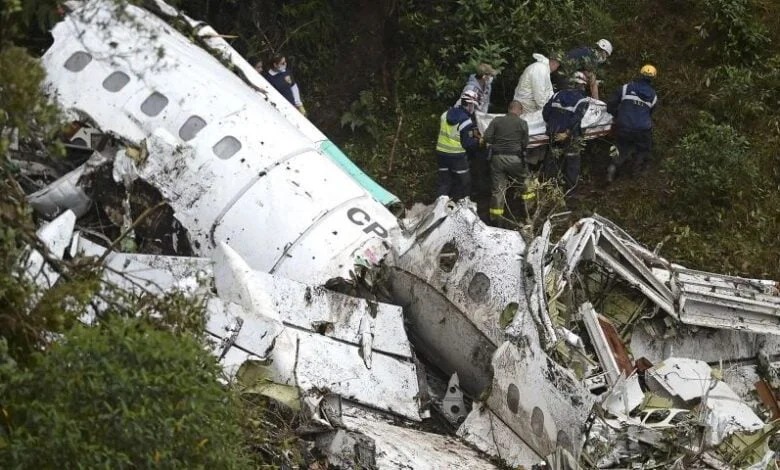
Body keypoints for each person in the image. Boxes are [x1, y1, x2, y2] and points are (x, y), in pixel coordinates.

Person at [606, 64, 658, 182]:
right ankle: (636, 172)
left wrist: (617, 115)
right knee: (644, 149)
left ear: (640, 74)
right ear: (653, 78)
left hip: (623, 125)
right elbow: (650, 113)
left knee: (619, 147)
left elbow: (611, 104)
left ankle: (613, 167)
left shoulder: (626, 88)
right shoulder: (653, 96)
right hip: (642, 129)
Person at [482, 101, 531, 225]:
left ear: (509, 109)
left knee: (498, 190)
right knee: (526, 185)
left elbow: (487, 137)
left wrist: (497, 141)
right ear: (519, 110)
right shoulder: (522, 123)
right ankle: (527, 214)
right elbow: (525, 144)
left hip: (497, 159)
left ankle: (496, 220)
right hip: (514, 159)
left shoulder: (497, 121)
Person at [542, 72, 590, 193]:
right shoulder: (583, 100)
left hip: (554, 133)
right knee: (572, 163)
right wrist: (567, 132)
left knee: (552, 161)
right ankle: (570, 192)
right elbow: (576, 118)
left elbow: (545, 112)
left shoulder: (557, 94)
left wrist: (553, 126)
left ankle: (549, 190)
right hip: (571, 137)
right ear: (582, 85)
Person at [435, 90, 481, 200]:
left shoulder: (445, 114)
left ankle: (440, 209)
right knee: (464, 182)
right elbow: (467, 144)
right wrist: (479, 142)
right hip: (457, 156)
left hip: (441, 154)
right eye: (473, 105)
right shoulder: (466, 121)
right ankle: (461, 207)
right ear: (469, 104)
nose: (473, 108)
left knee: (444, 182)